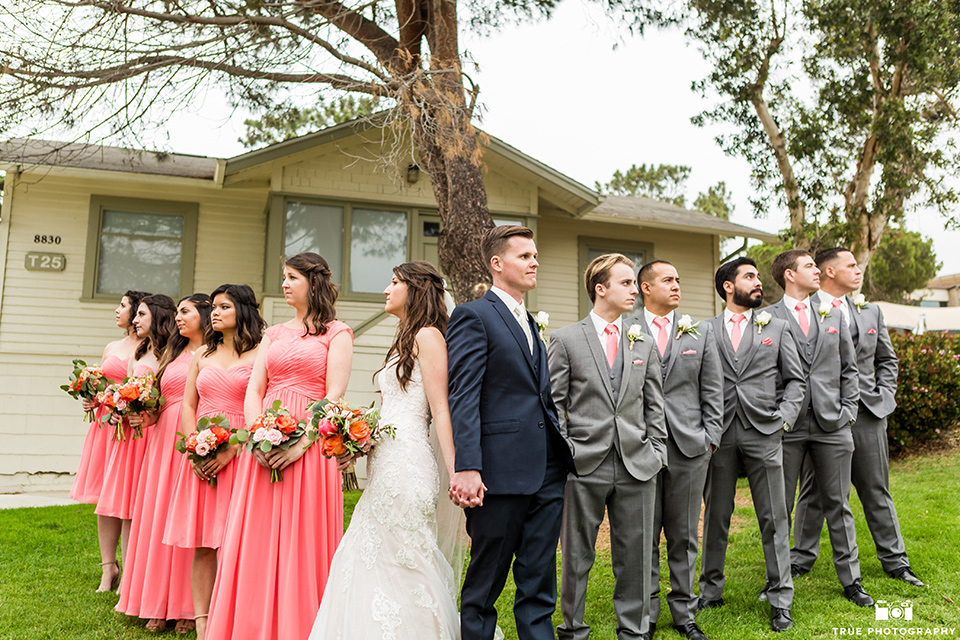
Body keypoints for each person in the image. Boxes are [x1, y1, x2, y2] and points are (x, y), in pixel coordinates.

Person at [309, 261, 461, 639]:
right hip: (384, 459)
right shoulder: (403, 338)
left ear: (416, 289)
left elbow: (440, 408)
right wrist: (356, 441)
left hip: (408, 463)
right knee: (370, 554)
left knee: (405, 555)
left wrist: (457, 469)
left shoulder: (428, 336)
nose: (385, 290)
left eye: (394, 282)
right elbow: (386, 411)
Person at [205, 253, 353, 640]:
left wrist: (300, 444)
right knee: (256, 536)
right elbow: (255, 389)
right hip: (263, 443)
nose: (284, 284)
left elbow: (335, 394)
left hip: (309, 444)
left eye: (291, 277)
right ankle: (251, 625)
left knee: (301, 542)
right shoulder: (273, 333)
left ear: (313, 283)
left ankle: (299, 626)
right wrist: (257, 434)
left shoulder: (337, 333)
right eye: (283, 277)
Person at [447, 225, 575, 640]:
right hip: (499, 474)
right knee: (485, 585)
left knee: (539, 582)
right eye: (524, 256)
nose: (534, 262)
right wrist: (468, 466)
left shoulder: (531, 322)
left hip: (547, 471)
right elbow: (463, 395)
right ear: (497, 264)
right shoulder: (474, 315)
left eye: (535, 256)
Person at [548, 253, 668, 640]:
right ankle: (572, 628)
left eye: (634, 283)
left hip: (638, 463)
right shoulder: (566, 339)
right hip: (584, 463)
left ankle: (633, 632)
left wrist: (657, 451)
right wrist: (567, 451)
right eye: (626, 283)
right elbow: (555, 404)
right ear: (601, 289)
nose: (634, 289)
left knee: (636, 556)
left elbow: (654, 404)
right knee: (577, 555)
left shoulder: (644, 343)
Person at [791, 249, 923, 588]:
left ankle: (896, 561)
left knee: (875, 489)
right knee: (814, 490)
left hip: (867, 413)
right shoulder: (804, 309)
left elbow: (887, 360)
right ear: (829, 271)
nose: (858, 270)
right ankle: (801, 559)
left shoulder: (870, 312)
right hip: (821, 415)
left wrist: (885, 395)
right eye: (851, 265)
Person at [697, 257, 805, 633]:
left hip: (765, 431)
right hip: (720, 433)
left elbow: (796, 380)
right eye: (749, 277)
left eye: (758, 276)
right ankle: (710, 590)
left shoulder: (776, 326)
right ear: (728, 286)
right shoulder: (703, 330)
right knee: (715, 516)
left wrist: (784, 418)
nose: (758, 282)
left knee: (775, 516)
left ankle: (780, 599)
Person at [766, 249, 871, 608]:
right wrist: (774, 417)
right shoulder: (766, 318)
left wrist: (849, 412)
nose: (817, 271)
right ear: (790, 275)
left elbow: (849, 369)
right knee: (779, 508)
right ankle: (777, 579)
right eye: (810, 266)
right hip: (787, 427)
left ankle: (852, 581)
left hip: (833, 424)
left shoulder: (833, 315)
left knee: (838, 504)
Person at [166, 284, 264, 640]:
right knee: (204, 543)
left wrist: (233, 447)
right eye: (214, 307)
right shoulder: (202, 355)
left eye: (224, 306)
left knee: (238, 542)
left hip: (242, 454)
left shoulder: (259, 352)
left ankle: (235, 617)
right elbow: (188, 405)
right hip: (202, 455)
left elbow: (262, 408)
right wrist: (195, 446)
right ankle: (203, 622)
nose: (216, 312)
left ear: (242, 309)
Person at [631, 260, 723, 640]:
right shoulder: (625, 329)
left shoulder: (699, 331)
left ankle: (684, 612)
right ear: (644, 287)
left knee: (684, 535)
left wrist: (710, 438)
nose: (676, 285)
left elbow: (713, 389)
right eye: (668, 280)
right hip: (641, 448)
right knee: (643, 534)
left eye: (678, 279)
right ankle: (646, 614)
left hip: (690, 448)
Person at [116, 294, 210, 632]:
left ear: (205, 315)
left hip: (192, 438)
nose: (179, 318)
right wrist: (148, 412)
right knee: (157, 519)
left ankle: (187, 606)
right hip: (160, 445)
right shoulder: (172, 351)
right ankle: (155, 600)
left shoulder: (214, 352)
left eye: (186, 312)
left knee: (186, 521)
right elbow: (163, 399)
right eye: (178, 313)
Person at [95, 294, 177, 578]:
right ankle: (123, 573)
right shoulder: (139, 354)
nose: (136, 320)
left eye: (142, 314)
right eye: (136, 314)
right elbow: (128, 387)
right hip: (131, 436)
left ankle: (140, 573)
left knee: (144, 507)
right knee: (124, 503)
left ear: (157, 317)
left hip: (155, 436)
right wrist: (118, 406)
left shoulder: (173, 354)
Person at [70, 289, 147, 592]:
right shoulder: (112, 346)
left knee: (125, 500)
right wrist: (91, 399)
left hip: (133, 428)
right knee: (105, 501)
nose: (117, 311)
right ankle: (107, 568)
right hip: (106, 426)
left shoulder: (153, 348)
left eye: (124, 306)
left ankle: (129, 568)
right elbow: (102, 385)